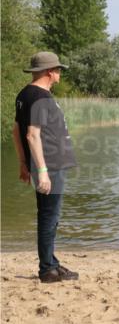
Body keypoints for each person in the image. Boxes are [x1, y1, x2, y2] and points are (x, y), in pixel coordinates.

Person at [11, 52, 79, 283]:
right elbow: (32, 135)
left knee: (49, 216)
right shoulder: (40, 97)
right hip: (49, 166)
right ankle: (47, 269)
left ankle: (52, 263)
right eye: (58, 69)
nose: (60, 73)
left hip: (44, 164)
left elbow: (15, 131)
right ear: (50, 72)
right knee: (49, 217)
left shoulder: (24, 94)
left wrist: (23, 163)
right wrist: (41, 171)